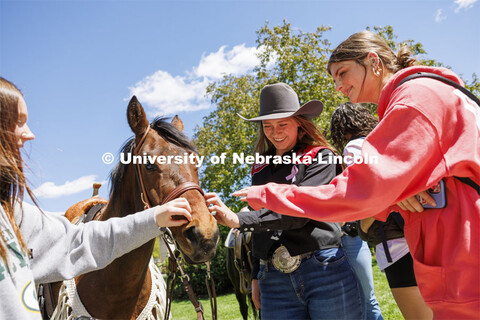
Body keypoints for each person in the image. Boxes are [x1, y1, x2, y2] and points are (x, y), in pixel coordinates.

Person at [235, 31, 480, 319]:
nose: (338, 86)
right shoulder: (423, 93)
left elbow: (360, 190)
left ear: (374, 62)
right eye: (333, 78)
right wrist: (397, 194)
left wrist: (262, 198)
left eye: (342, 73)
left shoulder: (412, 99)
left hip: (462, 259)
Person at [0, 76, 192, 319]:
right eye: (18, 122)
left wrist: (154, 218)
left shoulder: (12, 214)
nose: (29, 135)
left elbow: (78, 242)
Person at [206, 82, 364, 320]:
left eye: (282, 124)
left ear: (299, 122)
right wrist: (257, 274)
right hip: (274, 278)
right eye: (267, 126)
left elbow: (299, 210)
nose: (275, 132)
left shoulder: (320, 156)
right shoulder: (260, 168)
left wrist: (237, 219)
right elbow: (262, 227)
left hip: (323, 268)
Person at [331, 102, 432, 320]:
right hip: (422, 233)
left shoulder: (353, 147)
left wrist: (363, 226)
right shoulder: (384, 141)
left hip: (396, 245)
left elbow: (373, 193)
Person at [330, 102, 383, 320]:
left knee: (360, 299)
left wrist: (362, 224)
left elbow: (359, 192)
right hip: (362, 234)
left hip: (351, 234)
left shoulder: (351, 148)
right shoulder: (378, 143)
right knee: (367, 297)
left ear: (340, 129)